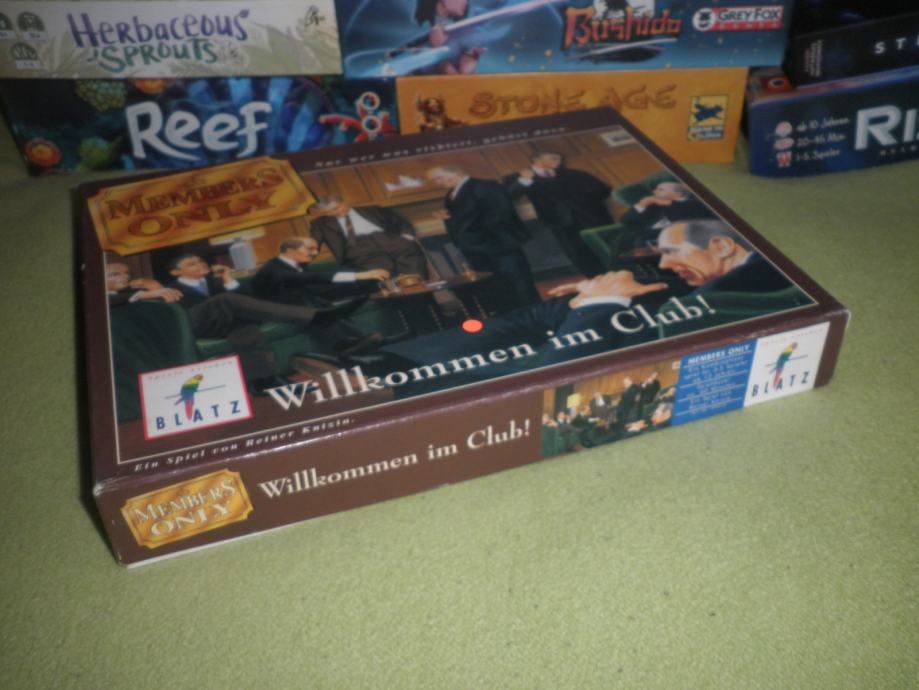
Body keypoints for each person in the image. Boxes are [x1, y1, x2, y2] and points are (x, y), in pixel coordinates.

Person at [166, 254, 381, 390]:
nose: (200, 264)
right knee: (225, 300)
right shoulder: (171, 289)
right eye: (192, 263)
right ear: (176, 272)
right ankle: (317, 315)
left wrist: (228, 279)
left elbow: (246, 301)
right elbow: (182, 317)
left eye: (200, 261)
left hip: (229, 323)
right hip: (198, 326)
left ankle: (266, 381)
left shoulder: (215, 282)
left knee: (248, 332)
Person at [427, 164, 540, 310]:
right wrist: (448, 218)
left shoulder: (484, 186)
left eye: (439, 178)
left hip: (498, 245)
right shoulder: (451, 193)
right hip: (476, 248)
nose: (437, 183)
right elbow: (465, 217)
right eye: (435, 180)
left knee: (520, 286)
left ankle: (536, 315)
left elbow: (501, 213)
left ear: (456, 173)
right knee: (498, 289)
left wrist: (475, 235)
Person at [504, 151, 612, 276]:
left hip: (591, 217)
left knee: (605, 248)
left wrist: (585, 202)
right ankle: (596, 278)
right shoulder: (518, 177)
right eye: (553, 158)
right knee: (578, 253)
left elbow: (603, 191)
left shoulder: (573, 174)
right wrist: (525, 180)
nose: (558, 161)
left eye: (559, 159)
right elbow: (508, 197)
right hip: (559, 221)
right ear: (536, 159)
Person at [308, 197, 429, 279]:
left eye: (336, 208)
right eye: (327, 212)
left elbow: (401, 222)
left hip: (390, 240)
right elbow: (314, 243)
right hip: (359, 250)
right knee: (384, 278)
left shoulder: (373, 209)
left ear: (344, 202)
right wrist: (301, 260)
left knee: (415, 275)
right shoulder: (319, 224)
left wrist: (407, 238)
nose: (334, 213)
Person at [252, 236, 389, 307]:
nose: (315, 253)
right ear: (290, 251)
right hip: (285, 305)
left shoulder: (297, 263)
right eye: (310, 249)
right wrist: (358, 275)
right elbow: (309, 278)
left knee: (367, 282)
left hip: (309, 295)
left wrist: (367, 278)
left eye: (316, 249)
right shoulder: (273, 268)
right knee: (316, 304)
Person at [415, 0, 483, 75]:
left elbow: (462, 81)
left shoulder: (468, 34)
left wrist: (439, 51)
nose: (466, 2)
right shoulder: (414, 28)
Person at [620, 181, 714, 232]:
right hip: (644, 239)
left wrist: (662, 201)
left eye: (660, 189)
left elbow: (689, 209)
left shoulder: (694, 206)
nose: (654, 192)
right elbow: (625, 221)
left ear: (678, 194)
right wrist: (641, 204)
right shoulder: (653, 206)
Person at [106, 261, 181, 307]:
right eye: (115, 274)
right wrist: (142, 294)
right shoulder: (134, 294)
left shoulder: (134, 290)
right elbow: (110, 300)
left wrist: (156, 287)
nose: (126, 276)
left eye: (126, 273)